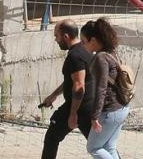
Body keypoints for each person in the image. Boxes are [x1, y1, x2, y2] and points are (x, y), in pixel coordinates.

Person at [38, 19, 94, 159]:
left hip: (80, 108)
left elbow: (79, 86)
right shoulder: (84, 50)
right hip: (86, 106)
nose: (56, 40)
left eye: (56, 36)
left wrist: (73, 113)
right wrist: (53, 95)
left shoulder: (75, 56)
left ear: (66, 36)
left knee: (52, 137)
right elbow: (72, 81)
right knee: (100, 146)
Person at [80, 18, 130, 159]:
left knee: (94, 148)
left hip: (110, 111)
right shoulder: (111, 53)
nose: (83, 46)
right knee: (109, 147)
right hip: (122, 108)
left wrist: (95, 116)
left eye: (84, 42)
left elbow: (101, 89)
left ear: (94, 40)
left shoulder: (100, 58)